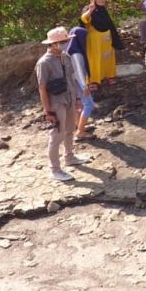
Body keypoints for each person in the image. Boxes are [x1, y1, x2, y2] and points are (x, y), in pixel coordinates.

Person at [35, 27, 87, 181]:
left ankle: (70, 157)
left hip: (70, 98)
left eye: (66, 40)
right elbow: (42, 88)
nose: (66, 43)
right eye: (63, 41)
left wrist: (77, 99)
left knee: (70, 130)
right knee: (57, 135)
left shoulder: (65, 57)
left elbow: (72, 79)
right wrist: (47, 111)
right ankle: (55, 169)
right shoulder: (44, 63)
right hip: (56, 103)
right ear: (53, 44)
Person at [80, 0, 123, 90]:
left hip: (107, 39)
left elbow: (109, 24)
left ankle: (108, 75)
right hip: (95, 41)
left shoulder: (103, 9)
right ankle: (93, 80)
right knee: (94, 60)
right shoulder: (88, 8)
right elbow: (83, 19)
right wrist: (90, 10)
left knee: (107, 58)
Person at [65, 26, 97, 140]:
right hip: (78, 82)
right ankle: (80, 132)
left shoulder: (68, 49)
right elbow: (78, 71)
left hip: (72, 82)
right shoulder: (76, 54)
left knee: (80, 104)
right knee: (89, 104)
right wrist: (84, 86)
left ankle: (79, 126)